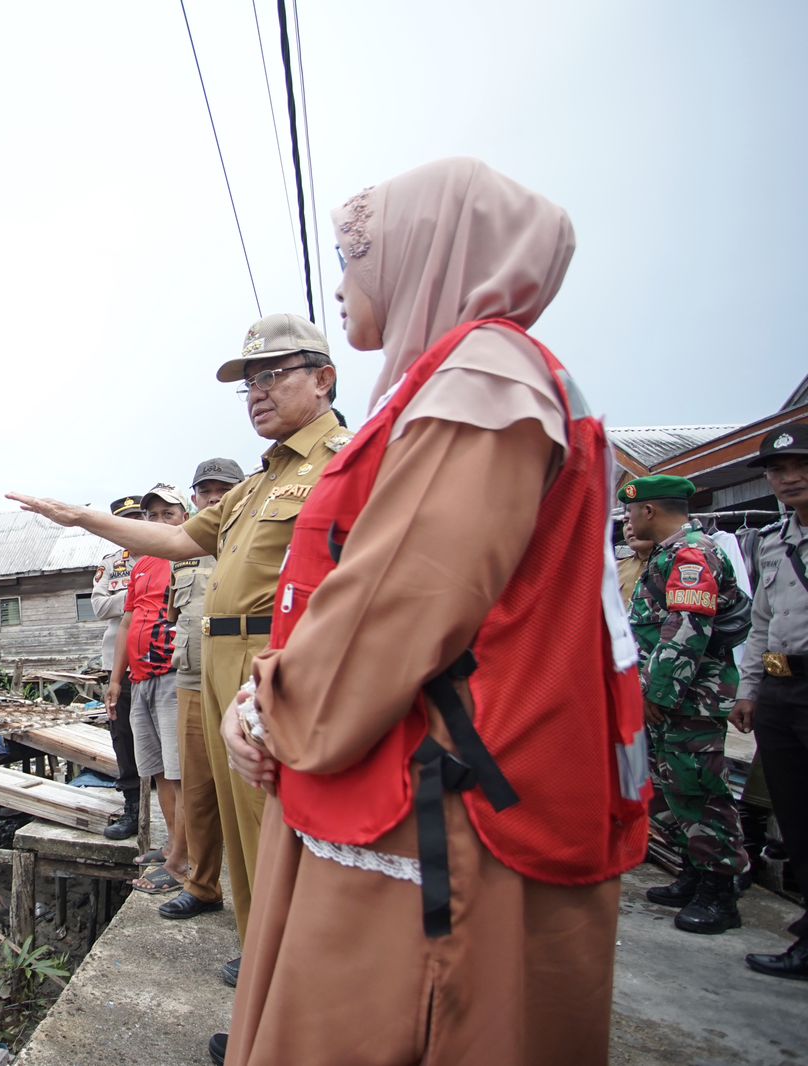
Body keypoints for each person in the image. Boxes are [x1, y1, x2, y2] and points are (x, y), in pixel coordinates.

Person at [221, 158, 647, 1066]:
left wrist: (270, 707)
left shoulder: (482, 379)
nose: (340, 286)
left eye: (354, 258)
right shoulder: (453, 379)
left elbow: (400, 604)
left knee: (390, 1024)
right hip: (413, 771)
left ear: (427, 251)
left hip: (433, 801)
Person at [9, 311, 350, 968]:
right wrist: (82, 518)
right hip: (214, 662)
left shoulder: (346, 463)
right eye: (247, 382)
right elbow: (177, 539)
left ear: (323, 379)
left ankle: (292, 979)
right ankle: (260, 962)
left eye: (273, 376)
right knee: (236, 816)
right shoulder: (257, 486)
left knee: (280, 825)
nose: (257, 392)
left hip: (274, 662)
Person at [621, 474, 752, 933]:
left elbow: (687, 632)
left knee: (700, 790)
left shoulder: (692, 555)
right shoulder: (665, 555)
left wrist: (657, 694)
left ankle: (721, 890)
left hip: (688, 698)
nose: (630, 520)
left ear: (648, 511)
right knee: (668, 787)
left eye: (633, 511)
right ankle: (695, 872)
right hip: (668, 695)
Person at [733, 423, 808, 978]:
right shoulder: (773, 540)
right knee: (797, 814)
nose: (789, 478)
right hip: (782, 691)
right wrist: (750, 689)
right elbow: (761, 624)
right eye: (778, 470)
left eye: (801, 467)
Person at [158, 458, 245, 920]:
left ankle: (261, 910)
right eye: (206, 491)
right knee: (198, 788)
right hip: (191, 677)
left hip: (242, 678)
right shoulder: (186, 549)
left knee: (250, 794)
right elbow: (176, 616)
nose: (214, 498)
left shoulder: (251, 539)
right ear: (195, 499)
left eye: (223, 489)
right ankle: (202, 885)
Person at [111, 485, 191, 891]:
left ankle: (183, 857)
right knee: (157, 771)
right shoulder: (140, 564)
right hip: (139, 678)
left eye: (168, 514)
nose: (158, 522)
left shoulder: (190, 554)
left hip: (172, 673)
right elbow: (127, 621)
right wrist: (114, 680)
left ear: (185, 518)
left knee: (179, 772)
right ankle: (170, 843)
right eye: (152, 516)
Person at [93, 496, 147, 840]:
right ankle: (133, 808)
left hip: (161, 660)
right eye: (122, 520)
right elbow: (99, 607)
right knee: (123, 736)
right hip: (119, 665)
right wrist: (140, 595)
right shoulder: (113, 564)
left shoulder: (173, 553)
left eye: (136, 518)